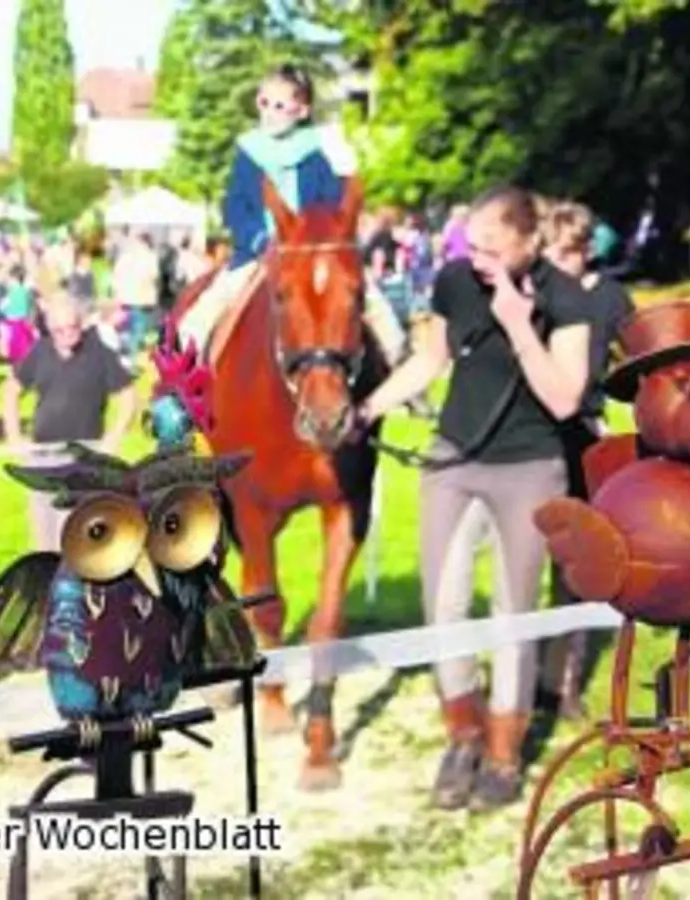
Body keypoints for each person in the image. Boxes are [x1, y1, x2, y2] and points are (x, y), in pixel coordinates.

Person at [356, 185, 593, 811]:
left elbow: (565, 398)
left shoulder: (567, 301)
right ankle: (462, 734)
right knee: (446, 605)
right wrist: (370, 406)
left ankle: (505, 749)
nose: (478, 257)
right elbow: (430, 358)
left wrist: (519, 324)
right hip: (454, 461)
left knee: (513, 617)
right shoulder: (454, 282)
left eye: (493, 247)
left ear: (529, 242)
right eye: (473, 244)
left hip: (529, 469)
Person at [534, 199, 636, 718]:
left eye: (570, 253)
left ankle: (562, 680)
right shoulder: (539, 294)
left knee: (577, 565)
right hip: (535, 435)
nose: (562, 262)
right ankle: (533, 675)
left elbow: (632, 359)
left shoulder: (609, 297)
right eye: (553, 252)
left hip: (585, 433)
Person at [176, 64, 344, 356]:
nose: (269, 112)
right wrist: (258, 239)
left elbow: (332, 204)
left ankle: (402, 368)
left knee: (367, 302)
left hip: (309, 256)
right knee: (200, 316)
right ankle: (181, 388)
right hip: (258, 256)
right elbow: (235, 205)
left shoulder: (315, 156)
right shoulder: (250, 153)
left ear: (301, 111)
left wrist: (319, 238)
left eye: (280, 106)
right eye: (264, 103)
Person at [3, 300, 139, 551]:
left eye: (72, 327)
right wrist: (14, 438)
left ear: (82, 324)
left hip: (82, 458)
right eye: (59, 330)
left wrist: (114, 437)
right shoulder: (39, 352)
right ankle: (46, 585)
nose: (67, 334)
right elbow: (11, 391)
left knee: (74, 534)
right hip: (42, 457)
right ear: (50, 330)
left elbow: (128, 397)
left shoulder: (100, 354)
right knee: (43, 538)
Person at [112, 232, 161, 357]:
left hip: (124, 298)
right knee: (138, 330)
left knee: (125, 328)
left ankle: (121, 355)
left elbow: (116, 275)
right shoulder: (150, 256)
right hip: (141, 299)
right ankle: (132, 359)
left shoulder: (125, 256)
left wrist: (117, 294)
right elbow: (154, 276)